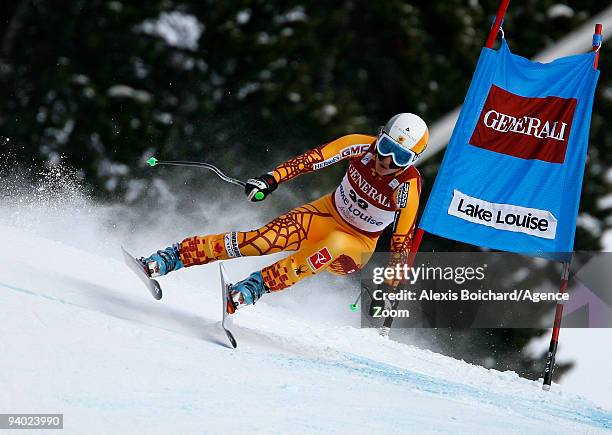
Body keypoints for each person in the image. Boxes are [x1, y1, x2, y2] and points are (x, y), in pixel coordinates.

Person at [138, 113, 428, 314]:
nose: (386, 161)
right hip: (325, 214)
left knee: (335, 244)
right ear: (379, 138)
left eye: (400, 157)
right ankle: (171, 257)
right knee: (261, 241)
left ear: (412, 161)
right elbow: (312, 160)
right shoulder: (358, 145)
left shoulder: (406, 187)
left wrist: (390, 288)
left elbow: (401, 243)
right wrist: (271, 179)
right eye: (386, 148)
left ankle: (253, 287)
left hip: (356, 247)